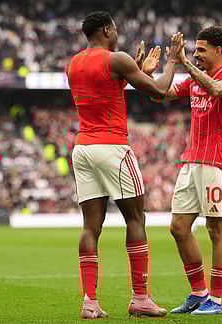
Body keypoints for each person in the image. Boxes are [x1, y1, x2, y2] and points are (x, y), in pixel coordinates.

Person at [67, 11, 183, 319]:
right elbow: (158, 92)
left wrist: (134, 70)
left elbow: (105, 90)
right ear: (106, 30)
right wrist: (173, 60)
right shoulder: (117, 59)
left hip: (83, 148)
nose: (117, 34)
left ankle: (89, 302)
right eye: (115, 30)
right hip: (113, 147)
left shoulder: (74, 63)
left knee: (91, 227)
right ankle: (140, 298)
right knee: (135, 219)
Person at [152, 26, 222, 315]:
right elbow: (160, 94)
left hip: (218, 163)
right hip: (191, 161)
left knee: (216, 229)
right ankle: (198, 292)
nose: (195, 55)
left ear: (219, 51)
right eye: (193, 50)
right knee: (178, 227)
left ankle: (215, 301)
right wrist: (144, 74)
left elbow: (216, 89)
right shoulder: (192, 81)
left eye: (201, 50)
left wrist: (185, 64)